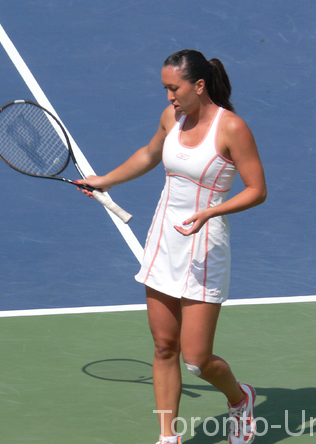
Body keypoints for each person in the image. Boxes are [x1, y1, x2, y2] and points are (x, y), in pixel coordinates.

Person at [78, 49, 267, 444]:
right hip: (164, 240)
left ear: (199, 85)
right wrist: (106, 180)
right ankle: (168, 437)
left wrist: (211, 212)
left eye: (174, 88)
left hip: (204, 248)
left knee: (197, 359)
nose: (169, 97)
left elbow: (256, 190)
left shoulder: (232, 128)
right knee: (165, 346)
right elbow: (150, 153)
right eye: (165, 89)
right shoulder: (172, 119)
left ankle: (239, 398)